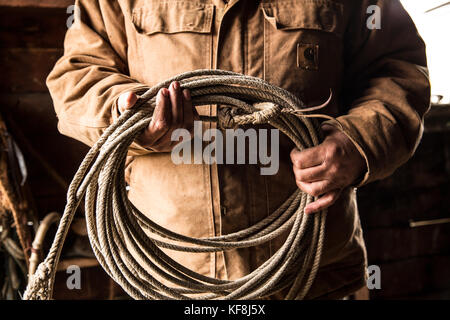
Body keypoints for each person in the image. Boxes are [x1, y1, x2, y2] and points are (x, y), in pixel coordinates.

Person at [47, 0, 430, 299]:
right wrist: (127, 112)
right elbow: (77, 76)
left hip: (311, 274)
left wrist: (359, 140)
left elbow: (399, 70)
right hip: (172, 277)